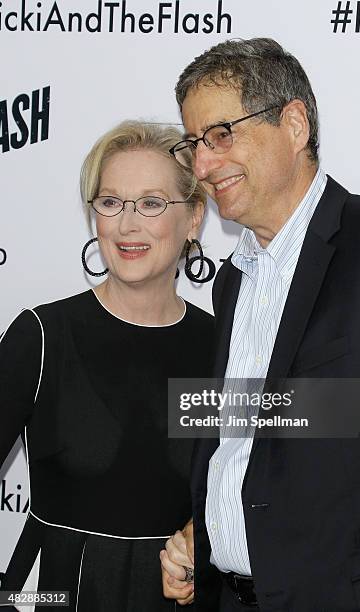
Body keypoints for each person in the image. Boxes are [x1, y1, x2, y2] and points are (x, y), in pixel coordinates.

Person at [161, 38, 360, 611]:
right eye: (194, 144)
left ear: (295, 124)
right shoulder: (233, 279)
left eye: (222, 135)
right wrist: (209, 535)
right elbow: (253, 450)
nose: (202, 165)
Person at [0, 120, 213, 611]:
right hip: (52, 593)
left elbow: (267, 477)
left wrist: (203, 535)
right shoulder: (43, 335)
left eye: (152, 203)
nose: (127, 224)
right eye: (111, 202)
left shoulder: (220, 347)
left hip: (177, 597)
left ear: (195, 217)